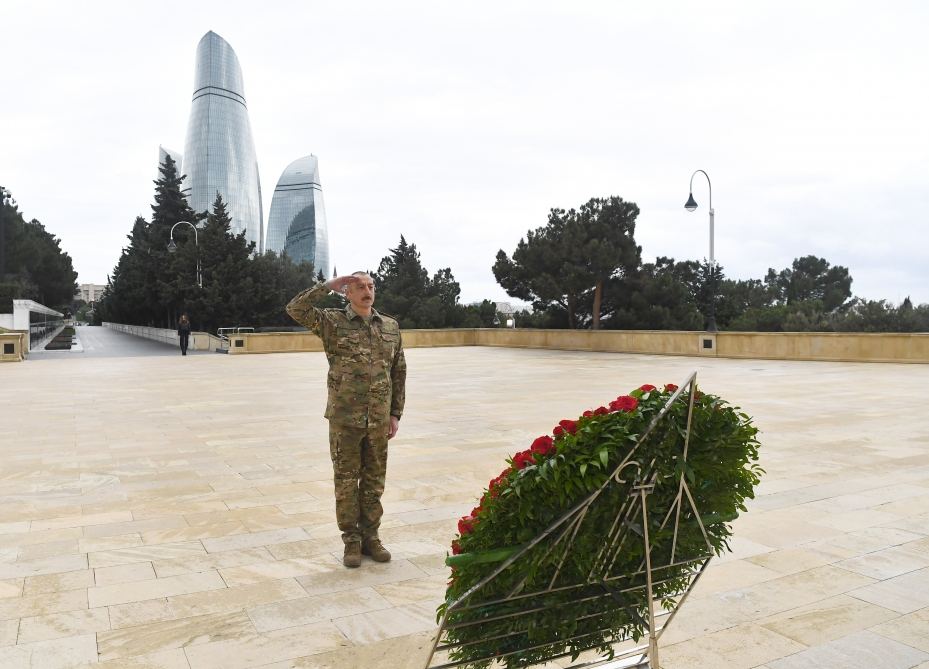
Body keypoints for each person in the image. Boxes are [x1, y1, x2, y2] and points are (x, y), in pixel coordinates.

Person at [286, 273, 406, 568]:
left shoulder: (390, 326)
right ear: (347, 293)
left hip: (378, 419)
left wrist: (395, 413)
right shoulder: (333, 322)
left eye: (371, 287)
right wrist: (326, 287)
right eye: (360, 287)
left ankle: (371, 538)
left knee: (374, 482)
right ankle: (351, 541)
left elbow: (398, 371)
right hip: (345, 419)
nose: (367, 291)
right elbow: (295, 309)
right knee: (346, 482)